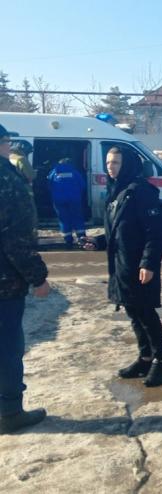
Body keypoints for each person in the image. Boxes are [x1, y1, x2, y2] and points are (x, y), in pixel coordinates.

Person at [82, 146, 162, 387]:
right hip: (121, 265)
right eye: (109, 162)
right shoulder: (117, 191)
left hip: (138, 265)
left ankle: (161, 362)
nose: (111, 167)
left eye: (116, 163)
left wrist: (148, 263)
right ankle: (145, 357)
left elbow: (156, 233)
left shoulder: (141, 191)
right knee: (133, 312)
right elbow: (120, 230)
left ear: (129, 164)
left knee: (145, 313)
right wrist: (99, 240)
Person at [0, 123, 50, 435]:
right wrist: (38, 277)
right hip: (4, 285)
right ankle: (9, 412)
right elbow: (16, 238)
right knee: (7, 347)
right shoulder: (7, 179)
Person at [47, 158, 87, 247]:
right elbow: (83, 185)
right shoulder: (74, 172)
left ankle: (68, 240)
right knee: (77, 218)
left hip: (59, 200)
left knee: (64, 219)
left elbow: (49, 185)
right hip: (74, 199)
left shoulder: (54, 172)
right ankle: (81, 239)